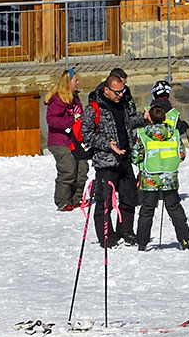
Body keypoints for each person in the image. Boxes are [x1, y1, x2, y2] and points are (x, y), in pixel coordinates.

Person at [85, 70, 141, 247]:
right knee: (105, 201)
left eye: (122, 91)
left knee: (129, 197)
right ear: (106, 90)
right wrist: (108, 144)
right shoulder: (95, 108)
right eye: (116, 92)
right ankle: (106, 235)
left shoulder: (124, 104)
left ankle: (126, 230)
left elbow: (129, 123)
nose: (120, 95)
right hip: (106, 161)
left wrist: (145, 119)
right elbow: (86, 134)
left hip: (125, 159)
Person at [131, 92, 189, 251]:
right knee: (174, 208)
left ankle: (142, 242)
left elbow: (136, 156)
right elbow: (182, 154)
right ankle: (184, 239)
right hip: (169, 177)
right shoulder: (174, 133)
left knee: (147, 210)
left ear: (149, 118)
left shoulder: (143, 134)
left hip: (150, 178)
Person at [45, 71, 86, 212]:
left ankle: (76, 199)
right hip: (61, 141)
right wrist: (71, 120)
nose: (78, 83)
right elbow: (52, 120)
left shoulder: (74, 99)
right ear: (68, 82)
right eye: (76, 80)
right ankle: (62, 201)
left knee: (82, 170)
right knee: (68, 171)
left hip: (77, 140)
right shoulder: (58, 99)